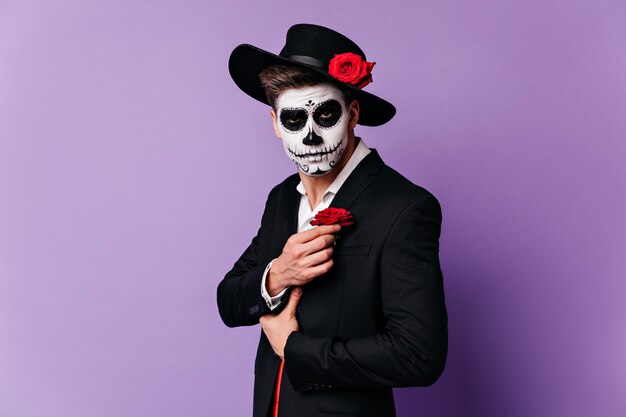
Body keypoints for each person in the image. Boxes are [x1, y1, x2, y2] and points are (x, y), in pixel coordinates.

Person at [217, 23, 448, 417]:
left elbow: (418, 355)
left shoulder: (405, 207)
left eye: (325, 115)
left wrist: (294, 348)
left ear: (352, 114)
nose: (309, 137)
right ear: (274, 124)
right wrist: (278, 275)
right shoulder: (280, 199)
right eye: (292, 120)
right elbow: (229, 301)